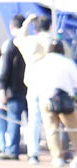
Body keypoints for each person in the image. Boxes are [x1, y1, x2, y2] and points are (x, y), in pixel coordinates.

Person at [25, 39, 77, 166]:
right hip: (65, 98)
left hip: (46, 99)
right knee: (73, 129)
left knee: (51, 130)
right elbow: (75, 82)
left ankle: (57, 157)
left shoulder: (40, 64)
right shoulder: (68, 63)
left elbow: (31, 82)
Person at [19, 16, 56, 160]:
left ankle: (32, 153)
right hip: (50, 85)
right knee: (52, 121)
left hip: (33, 84)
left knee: (33, 121)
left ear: (35, 29)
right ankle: (56, 153)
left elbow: (19, 37)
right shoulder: (54, 42)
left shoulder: (30, 42)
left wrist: (27, 21)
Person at [0, 13, 30, 159]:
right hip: (30, 88)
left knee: (14, 121)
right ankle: (32, 151)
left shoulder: (11, 44)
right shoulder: (30, 44)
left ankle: (12, 150)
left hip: (14, 90)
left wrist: (1, 88)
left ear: (11, 27)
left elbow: (5, 69)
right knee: (32, 122)